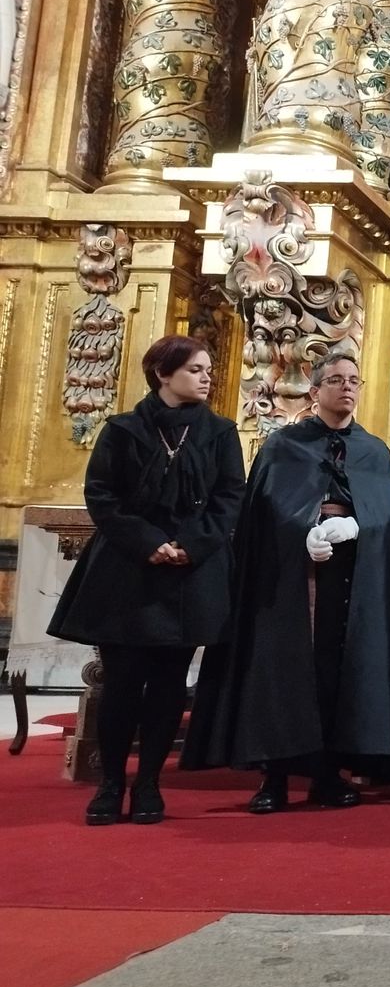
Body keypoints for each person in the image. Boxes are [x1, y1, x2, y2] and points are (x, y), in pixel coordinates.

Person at [183, 353, 390, 812]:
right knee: (281, 670)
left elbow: (388, 512)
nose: (347, 387)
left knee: (338, 670)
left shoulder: (374, 450)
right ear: (315, 391)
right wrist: (302, 532)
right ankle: (274, 777)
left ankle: (328, 774)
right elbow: (262, 512)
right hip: (289, 579)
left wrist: (359, 525)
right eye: (336, 379)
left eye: (354, 380)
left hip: (353, 576)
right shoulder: (284, 445)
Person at [48, 336, 245, 826]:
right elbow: (102, 495)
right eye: (196, 369)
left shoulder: (220, 432)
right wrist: (149, 542)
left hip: (190, 572)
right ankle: (111, 784)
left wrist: (190, 545)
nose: (207, 377)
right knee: (121, 684)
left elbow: (229, 497)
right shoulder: (122, 429)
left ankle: (150, 784)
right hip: (128, 572)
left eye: (208, 369)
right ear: (163, 373)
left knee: (169, 684)